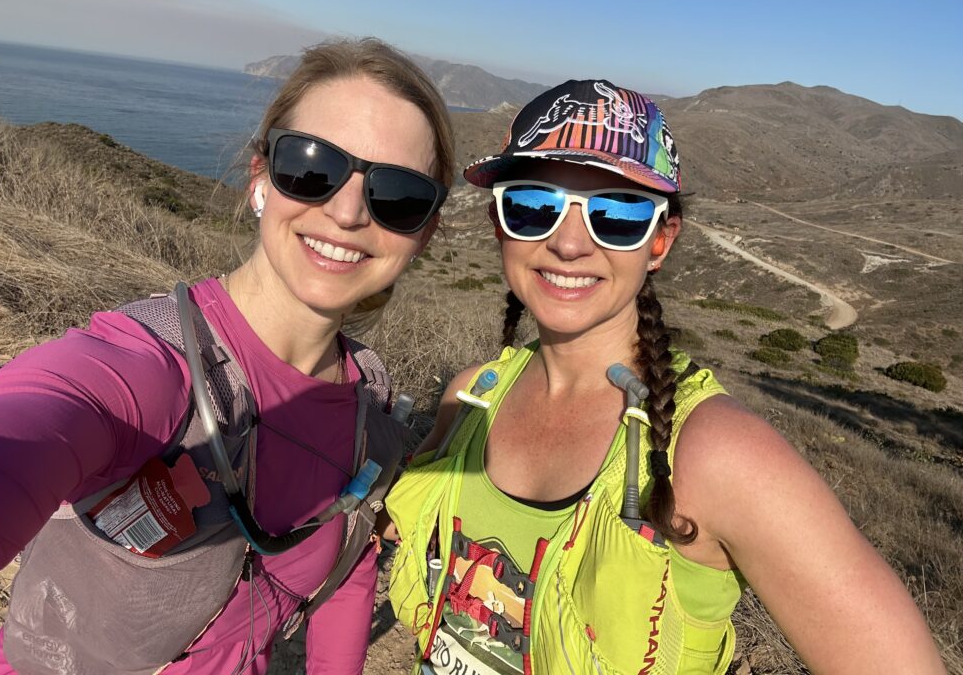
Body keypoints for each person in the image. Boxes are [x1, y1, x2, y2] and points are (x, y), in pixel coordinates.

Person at [384, 80, 946, 674]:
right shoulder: (470, 399)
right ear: (501, 223)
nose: (569, 243)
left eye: (617, 215)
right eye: (533, 204)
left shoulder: (717, 455)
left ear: (661, 241)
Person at [0, 37, 454, 675]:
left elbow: (346, 563)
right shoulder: (152, 367)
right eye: (312, 167)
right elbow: (18, 435)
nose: (347, 212)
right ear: (260, 177)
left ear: (424, 233)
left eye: (398, 195)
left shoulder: (367, 412)